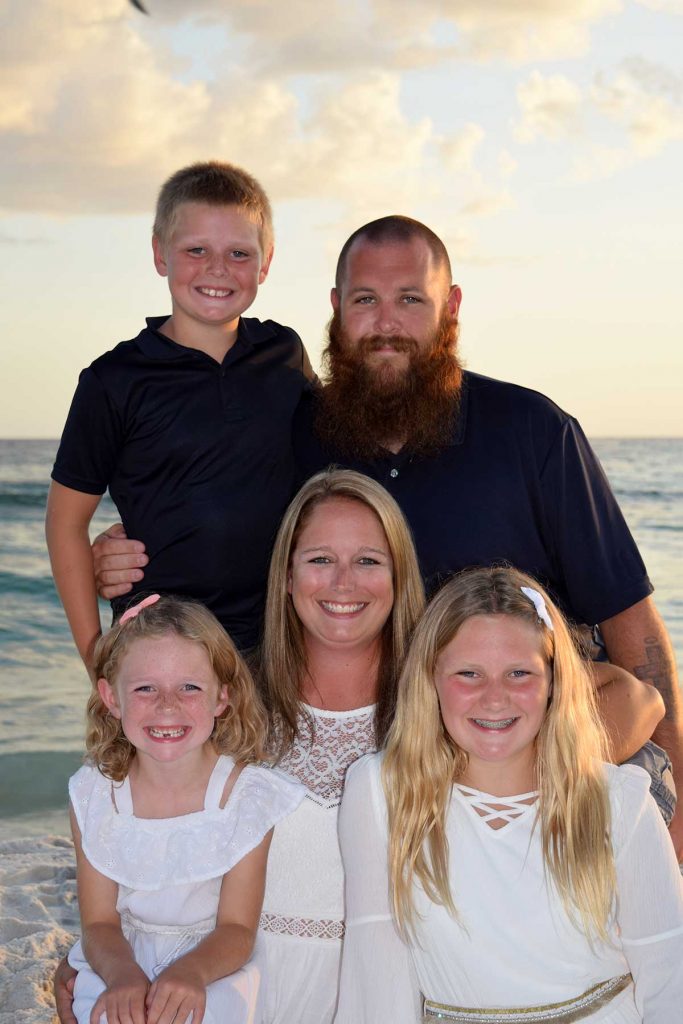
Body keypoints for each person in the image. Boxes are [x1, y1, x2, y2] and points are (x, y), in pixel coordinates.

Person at [90, 214, 683, 857]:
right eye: (366, 300)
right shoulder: (298, 434)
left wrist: (679, 778)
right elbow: (215, 526)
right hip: (389, 756)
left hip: (534, 738)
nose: (386, 324)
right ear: (337, 308)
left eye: (410, 300)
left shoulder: (532, 430)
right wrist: (123, 551)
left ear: (449, 307)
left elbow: (631, 620)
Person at [55, 473, 661, 1024]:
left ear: (400, 577)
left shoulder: (442, 708)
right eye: (320, 559)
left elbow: (635, 698)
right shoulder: (230, 700)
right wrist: (103, 954)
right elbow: (142, 823)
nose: (343, 582)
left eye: (368, 561)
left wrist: (538, 753)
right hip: (240, 984)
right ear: (286, 575)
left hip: (385, 991)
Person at [335, 567, 683, 1023]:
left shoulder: (617, 801)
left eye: (519, 673)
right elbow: (375, 982)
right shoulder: (382, 794)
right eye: (468, 674)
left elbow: (668, 978)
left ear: (555, 682)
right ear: (430, 678)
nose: (494, 699)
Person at [46, 160, 314, 669]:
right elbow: (65, 522)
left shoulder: (283, 353)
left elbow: (330, 462)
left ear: (266, 262)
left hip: (274, 645)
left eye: (239, 253)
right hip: (156, 642)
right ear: (159, 253)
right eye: (196, 250)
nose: (217, 269)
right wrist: (93, 653)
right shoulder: (114, 379)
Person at [67, 592, 304, 1024]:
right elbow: (99, 924)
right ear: (110, 697)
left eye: (190, 687)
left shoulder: (244, 796)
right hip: (118, 957)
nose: (167, 706)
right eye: (145, 688)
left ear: (222, 697)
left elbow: (237, 930)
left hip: (210, 963)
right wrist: (124, 978)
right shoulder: (94, 794)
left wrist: (189, 973)